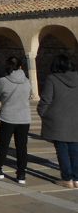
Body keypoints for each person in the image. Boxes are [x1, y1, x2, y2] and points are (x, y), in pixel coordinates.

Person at [0, 56, 31, 184]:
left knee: (3, 145)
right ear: (21, 66)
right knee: (21, 147)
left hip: (9, 117)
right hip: (24, 118)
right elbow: (29, 95)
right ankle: (21, 174)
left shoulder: (3, 80)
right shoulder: (27, 81)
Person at [38, 54, 78, 188]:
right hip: (75, 120)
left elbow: (46, 100)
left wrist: (43, 113)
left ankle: (67, 178)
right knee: (75, 149)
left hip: (58, 121)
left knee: (62, 149)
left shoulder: (52, 79)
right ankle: (76, 178)